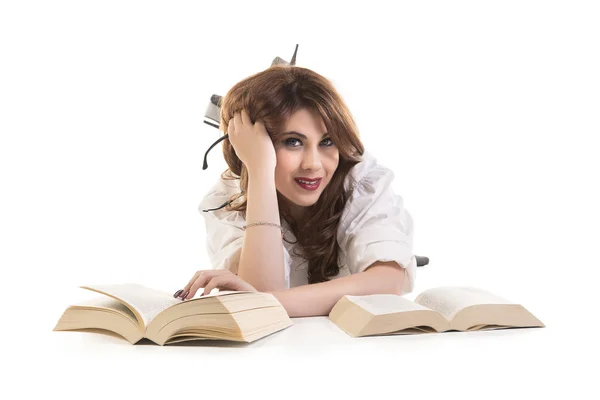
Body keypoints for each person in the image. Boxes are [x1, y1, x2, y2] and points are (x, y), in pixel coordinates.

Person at [172, 65, 417, 317]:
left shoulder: (359, 179)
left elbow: (388, 280)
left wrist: (271, 302)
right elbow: (260, 307)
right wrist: (260, 172)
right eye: (293, 142)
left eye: (327, 142)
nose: (313, 164)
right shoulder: (228, 198)